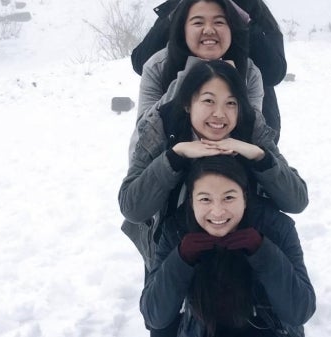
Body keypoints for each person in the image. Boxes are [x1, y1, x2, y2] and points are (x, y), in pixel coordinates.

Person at [119, 60, 307, 272]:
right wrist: (174, 157)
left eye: (231, 103)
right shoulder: (162, 126)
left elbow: (297, 200)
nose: (220, 113)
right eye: (209, 101)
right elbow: (132, 208)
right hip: (172, 253)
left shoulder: (251, 128)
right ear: (188, 104)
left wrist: (259, 156)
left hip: (244, 251)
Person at [140, 155, 316, 337]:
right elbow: (155, 315)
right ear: (192, 201)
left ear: (245, 198)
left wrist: (263, 251)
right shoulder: (176, 230)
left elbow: (299, 311)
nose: (217, 211)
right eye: (205, 199)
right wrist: (181, 259)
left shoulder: (276, 227)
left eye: (229, 197)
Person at [128, 0, 269, 164]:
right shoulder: (158, 66)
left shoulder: (249, 73)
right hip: (168, 169)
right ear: (183, 29)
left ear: (231, 28)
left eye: (219, 22)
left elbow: (253, 133)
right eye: (198, 22)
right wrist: (191, 73)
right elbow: (144, 133)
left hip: (230, 173)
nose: (209, 30)